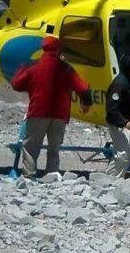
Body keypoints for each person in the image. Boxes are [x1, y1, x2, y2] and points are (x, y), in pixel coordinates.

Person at [10, 36, 92, 178]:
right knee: (54, 148)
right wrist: (86, 104)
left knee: (31, 147)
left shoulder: (34, 66)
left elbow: (16, 84)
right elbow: (84, 89)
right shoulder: (66, 68)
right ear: (59, 48)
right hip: (60, 114)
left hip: (38, 112)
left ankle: (29, 175)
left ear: (43, 48)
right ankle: (52, 173)